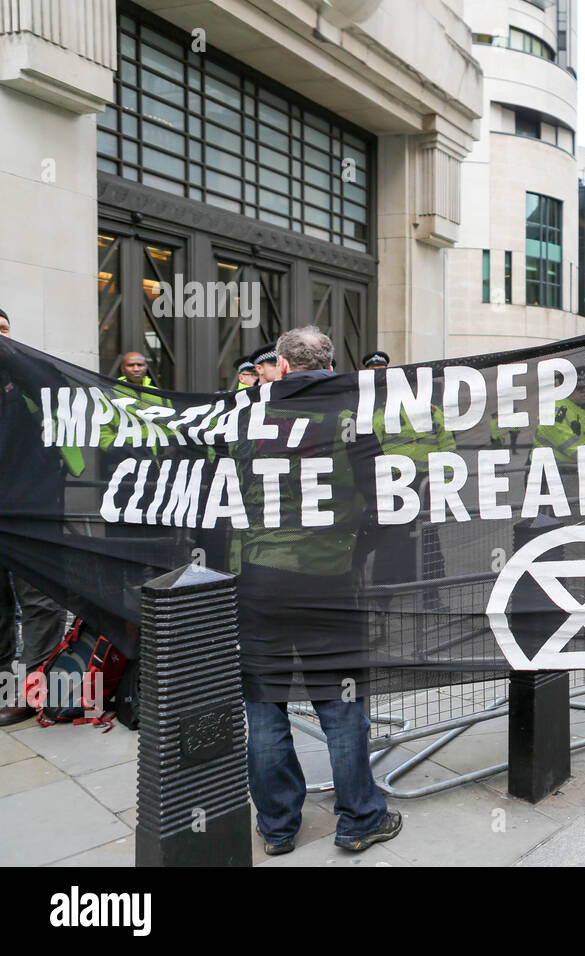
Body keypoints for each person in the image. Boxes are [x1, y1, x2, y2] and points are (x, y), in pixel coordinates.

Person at [235, 326, 400, 855]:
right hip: (328, 578)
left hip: (259, 578)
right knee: (341, 701)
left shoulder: (245, 417)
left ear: (281, 367)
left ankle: (279, 826)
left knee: (264, 703)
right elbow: (388, 505)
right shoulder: (353, 419)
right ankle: (359, 819)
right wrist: (354, 551)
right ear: (330, 369)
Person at [0, 309, 74, 724]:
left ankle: (35, 690)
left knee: (39, 599)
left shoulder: (31, 375)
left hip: (33, 509)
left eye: (4, 330)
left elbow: (59, 399)